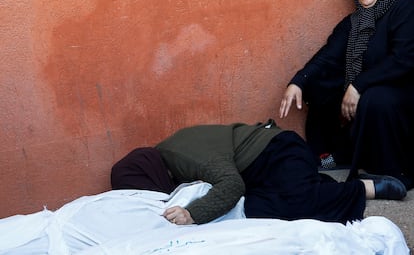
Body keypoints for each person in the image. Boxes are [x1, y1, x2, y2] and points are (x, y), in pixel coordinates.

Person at [279, 0, 414, 190]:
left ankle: (393, 174)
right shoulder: (353, 22)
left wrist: (358, 85)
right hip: (370, 96)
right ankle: (333, 155)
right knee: (320, 83)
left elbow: (403, 59)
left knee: (375, 98)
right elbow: (327, 56)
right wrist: (298, 82)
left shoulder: (405, 7)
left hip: (403, 96)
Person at [111, 120, 406, 226]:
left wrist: (192, 214)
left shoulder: (180, 155)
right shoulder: (170, 166)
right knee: (254, 211)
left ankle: (363, 187)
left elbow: (231, 184)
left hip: (279, 150)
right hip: (262, 173)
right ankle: (319, 184)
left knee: (296, 203)